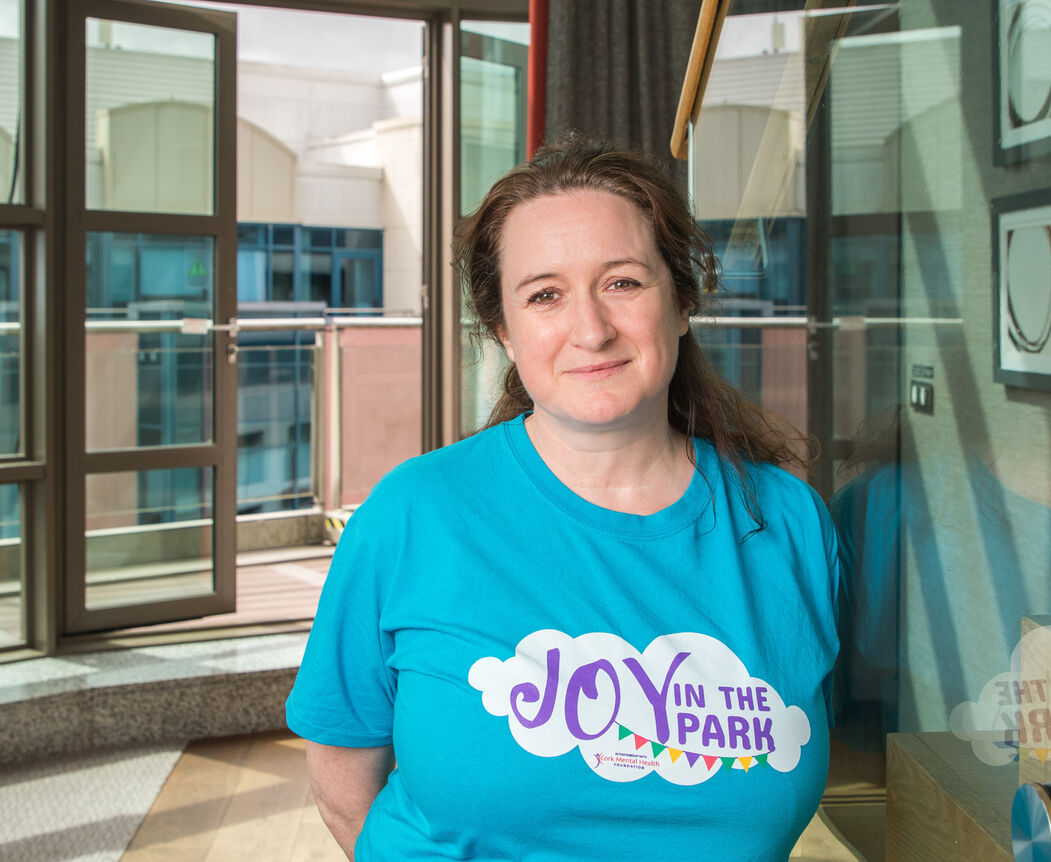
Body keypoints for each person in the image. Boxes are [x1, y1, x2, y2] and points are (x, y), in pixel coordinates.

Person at [286, 135, 842, 861]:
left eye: (624, 282)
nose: (591, 329)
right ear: (503, 331)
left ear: (681, 303)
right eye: (545, 295)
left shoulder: (791, 525)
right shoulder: (412, 517)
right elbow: (341, 778)